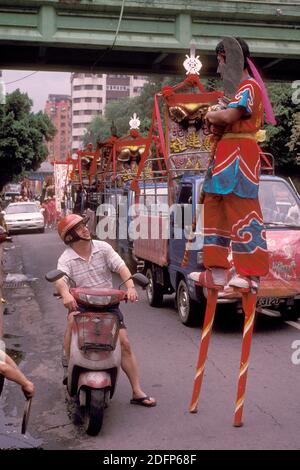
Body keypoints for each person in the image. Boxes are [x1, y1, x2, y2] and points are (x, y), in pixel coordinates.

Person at [189, 37, 271, 291]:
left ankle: (251, 274)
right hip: (225, 155)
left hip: (240, 154)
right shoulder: (235, 91)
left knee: (242, 210)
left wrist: (211, 114)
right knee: (215, 209)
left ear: (230, 59)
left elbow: (229, 115)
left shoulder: (249, 86)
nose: (219, 68)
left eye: (220, 61)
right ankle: (216, 271)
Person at [55, 214, 156, 408]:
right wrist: (65, 294)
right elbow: (61, 280)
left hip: (109, 305)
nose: (85, 228)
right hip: (81, 305)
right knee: (71, 321)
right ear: (69, 237)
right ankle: (69, 366)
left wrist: (131, 287)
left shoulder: (103, 248)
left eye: (84, 225)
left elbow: (121, 267)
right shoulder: (66, 258)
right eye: (78, 227)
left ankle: (137, 391)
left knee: (125, 343)